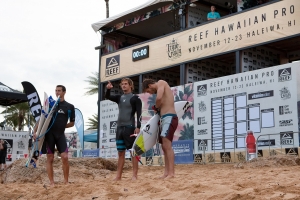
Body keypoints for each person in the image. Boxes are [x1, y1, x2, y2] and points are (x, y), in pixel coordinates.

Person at [34, 85, 75, 186]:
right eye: (56, 91)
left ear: (64, 92)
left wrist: (62, 125)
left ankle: (66, 181)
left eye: (59, 90)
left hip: (60, 134)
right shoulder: (50, 105)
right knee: (50, 158)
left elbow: (72, 123)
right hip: (50, 135)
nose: (57, 92)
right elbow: (42, 119)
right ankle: (51, 182)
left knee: (65, 157)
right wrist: (35, 132)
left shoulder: (69, 107)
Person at [105, 78, 142, 181]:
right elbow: (107, 96)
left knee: (133, 152)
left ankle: (134, 175)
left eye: (126, 84)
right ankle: (118, 176)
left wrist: (138, 127)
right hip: (119, 128)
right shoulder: (119, 97)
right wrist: (108, 89)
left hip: (129, 128)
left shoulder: (135, 98)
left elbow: (139, 113)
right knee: (120, 152)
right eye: (122, 84)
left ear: (130, 85)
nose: (123, 86)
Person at [142, 79, 178, 179]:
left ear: (149, 85)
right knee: (164, 146)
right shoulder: (160, 87)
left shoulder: (161, 82)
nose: (150, 93)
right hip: (164, 118)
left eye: (148, 91)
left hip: (170, 117)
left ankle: (171, 173)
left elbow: (159, 98)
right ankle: (166, 173)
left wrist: (157, 107)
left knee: (167, 145)